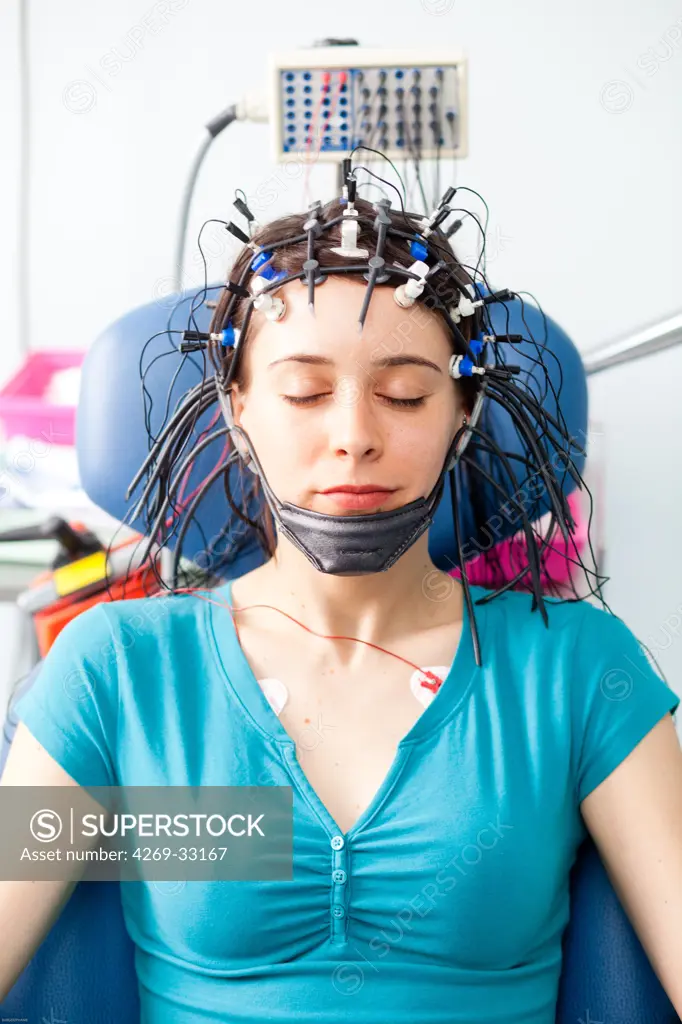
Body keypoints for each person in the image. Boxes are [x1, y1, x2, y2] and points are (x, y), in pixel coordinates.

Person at [1, 183, 681, 1024]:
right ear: (237, 409)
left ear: (462, 414)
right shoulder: (122, 671)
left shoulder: (577, 672)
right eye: (304, 392)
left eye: (404, 394)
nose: (355, 433)